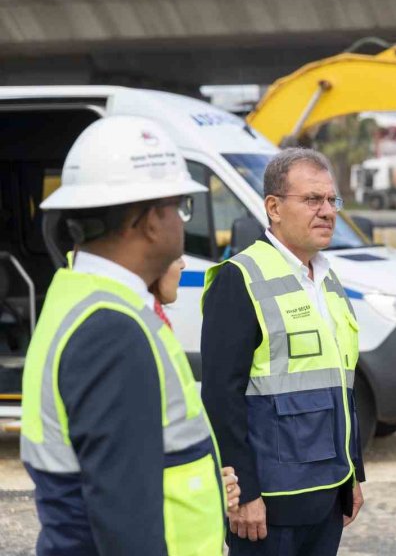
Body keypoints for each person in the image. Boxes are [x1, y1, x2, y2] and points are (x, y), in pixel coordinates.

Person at [20, 116, 227, 555]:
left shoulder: (82, 297)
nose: (181, 221)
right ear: (151, 221)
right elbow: (125, 525)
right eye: (179, 207)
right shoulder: (111, 331)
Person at [201, 148, 365, 556]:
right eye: (312, 200)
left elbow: (341, 384)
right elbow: (220, 398)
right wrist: (244, 494)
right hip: (269, 505)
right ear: (273, 207)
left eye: (332, 200)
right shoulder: (239, 279)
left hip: (327, 496)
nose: (327, 211)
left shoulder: (327, 279)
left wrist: (352, 475)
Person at [149, 255, 243, 511]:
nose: (183, 264)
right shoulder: (126, 333)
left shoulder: (150, 323)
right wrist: (204, 487)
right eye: (173, 255)